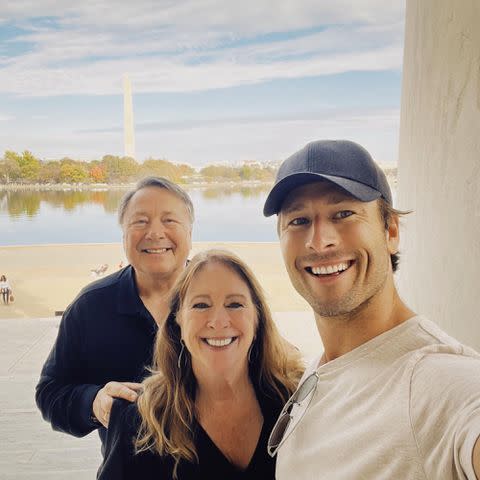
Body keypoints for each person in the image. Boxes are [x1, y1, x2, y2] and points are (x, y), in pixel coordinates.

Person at [263, 140, 480, 479]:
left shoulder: (431, 381)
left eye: (344, 214)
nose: (319, 241)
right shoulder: (327, 364)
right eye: (299, 220)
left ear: (390, 231)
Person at [97, 249, 304, 479]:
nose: (218, 321)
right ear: (178, 321)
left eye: (235, 304)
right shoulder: (140, 420)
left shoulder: (297, 402)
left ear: (257, 319)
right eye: (201, 305)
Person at [35, 176, 194, 452]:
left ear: (190, 231)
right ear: (123, 233)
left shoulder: (224, 297)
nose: (155, 233)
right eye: (140, 221)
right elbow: (51, 392)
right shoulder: (91, 306)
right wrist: (95, 402)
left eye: (169, 220)